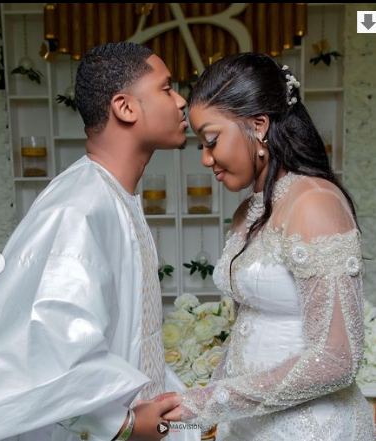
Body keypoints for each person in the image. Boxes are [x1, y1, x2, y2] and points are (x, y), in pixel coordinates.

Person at [0, 42, 199, 441]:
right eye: (166, 88)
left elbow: (131, 334)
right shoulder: (79, 207)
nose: (181, 101)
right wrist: (125, 426)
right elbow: (49, 343)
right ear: (125, 107)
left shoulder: (111, 196)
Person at [155, 53, 376, 440]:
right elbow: (244, 334)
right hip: (247, 425)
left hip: (312, 429)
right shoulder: (247, 212)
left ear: (259, 126)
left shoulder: (315, 202)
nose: (206, 159)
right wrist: (190, 419)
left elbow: (338, 359)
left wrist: (208, 403)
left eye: (211, 140)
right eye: (201, 146)